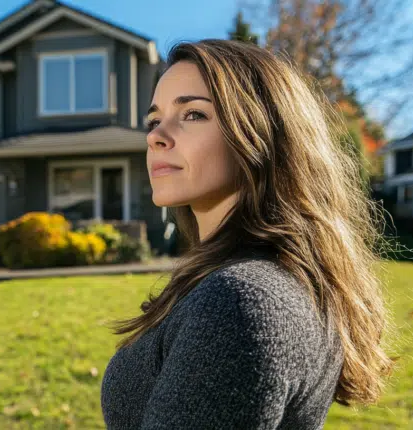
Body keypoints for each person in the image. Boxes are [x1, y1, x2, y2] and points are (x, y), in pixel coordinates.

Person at [100, 39, 394, 429]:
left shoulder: (242, 301)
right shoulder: (250, 282)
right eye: (154, 120)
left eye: (192, 115)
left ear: (260, 135)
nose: (156, 136)